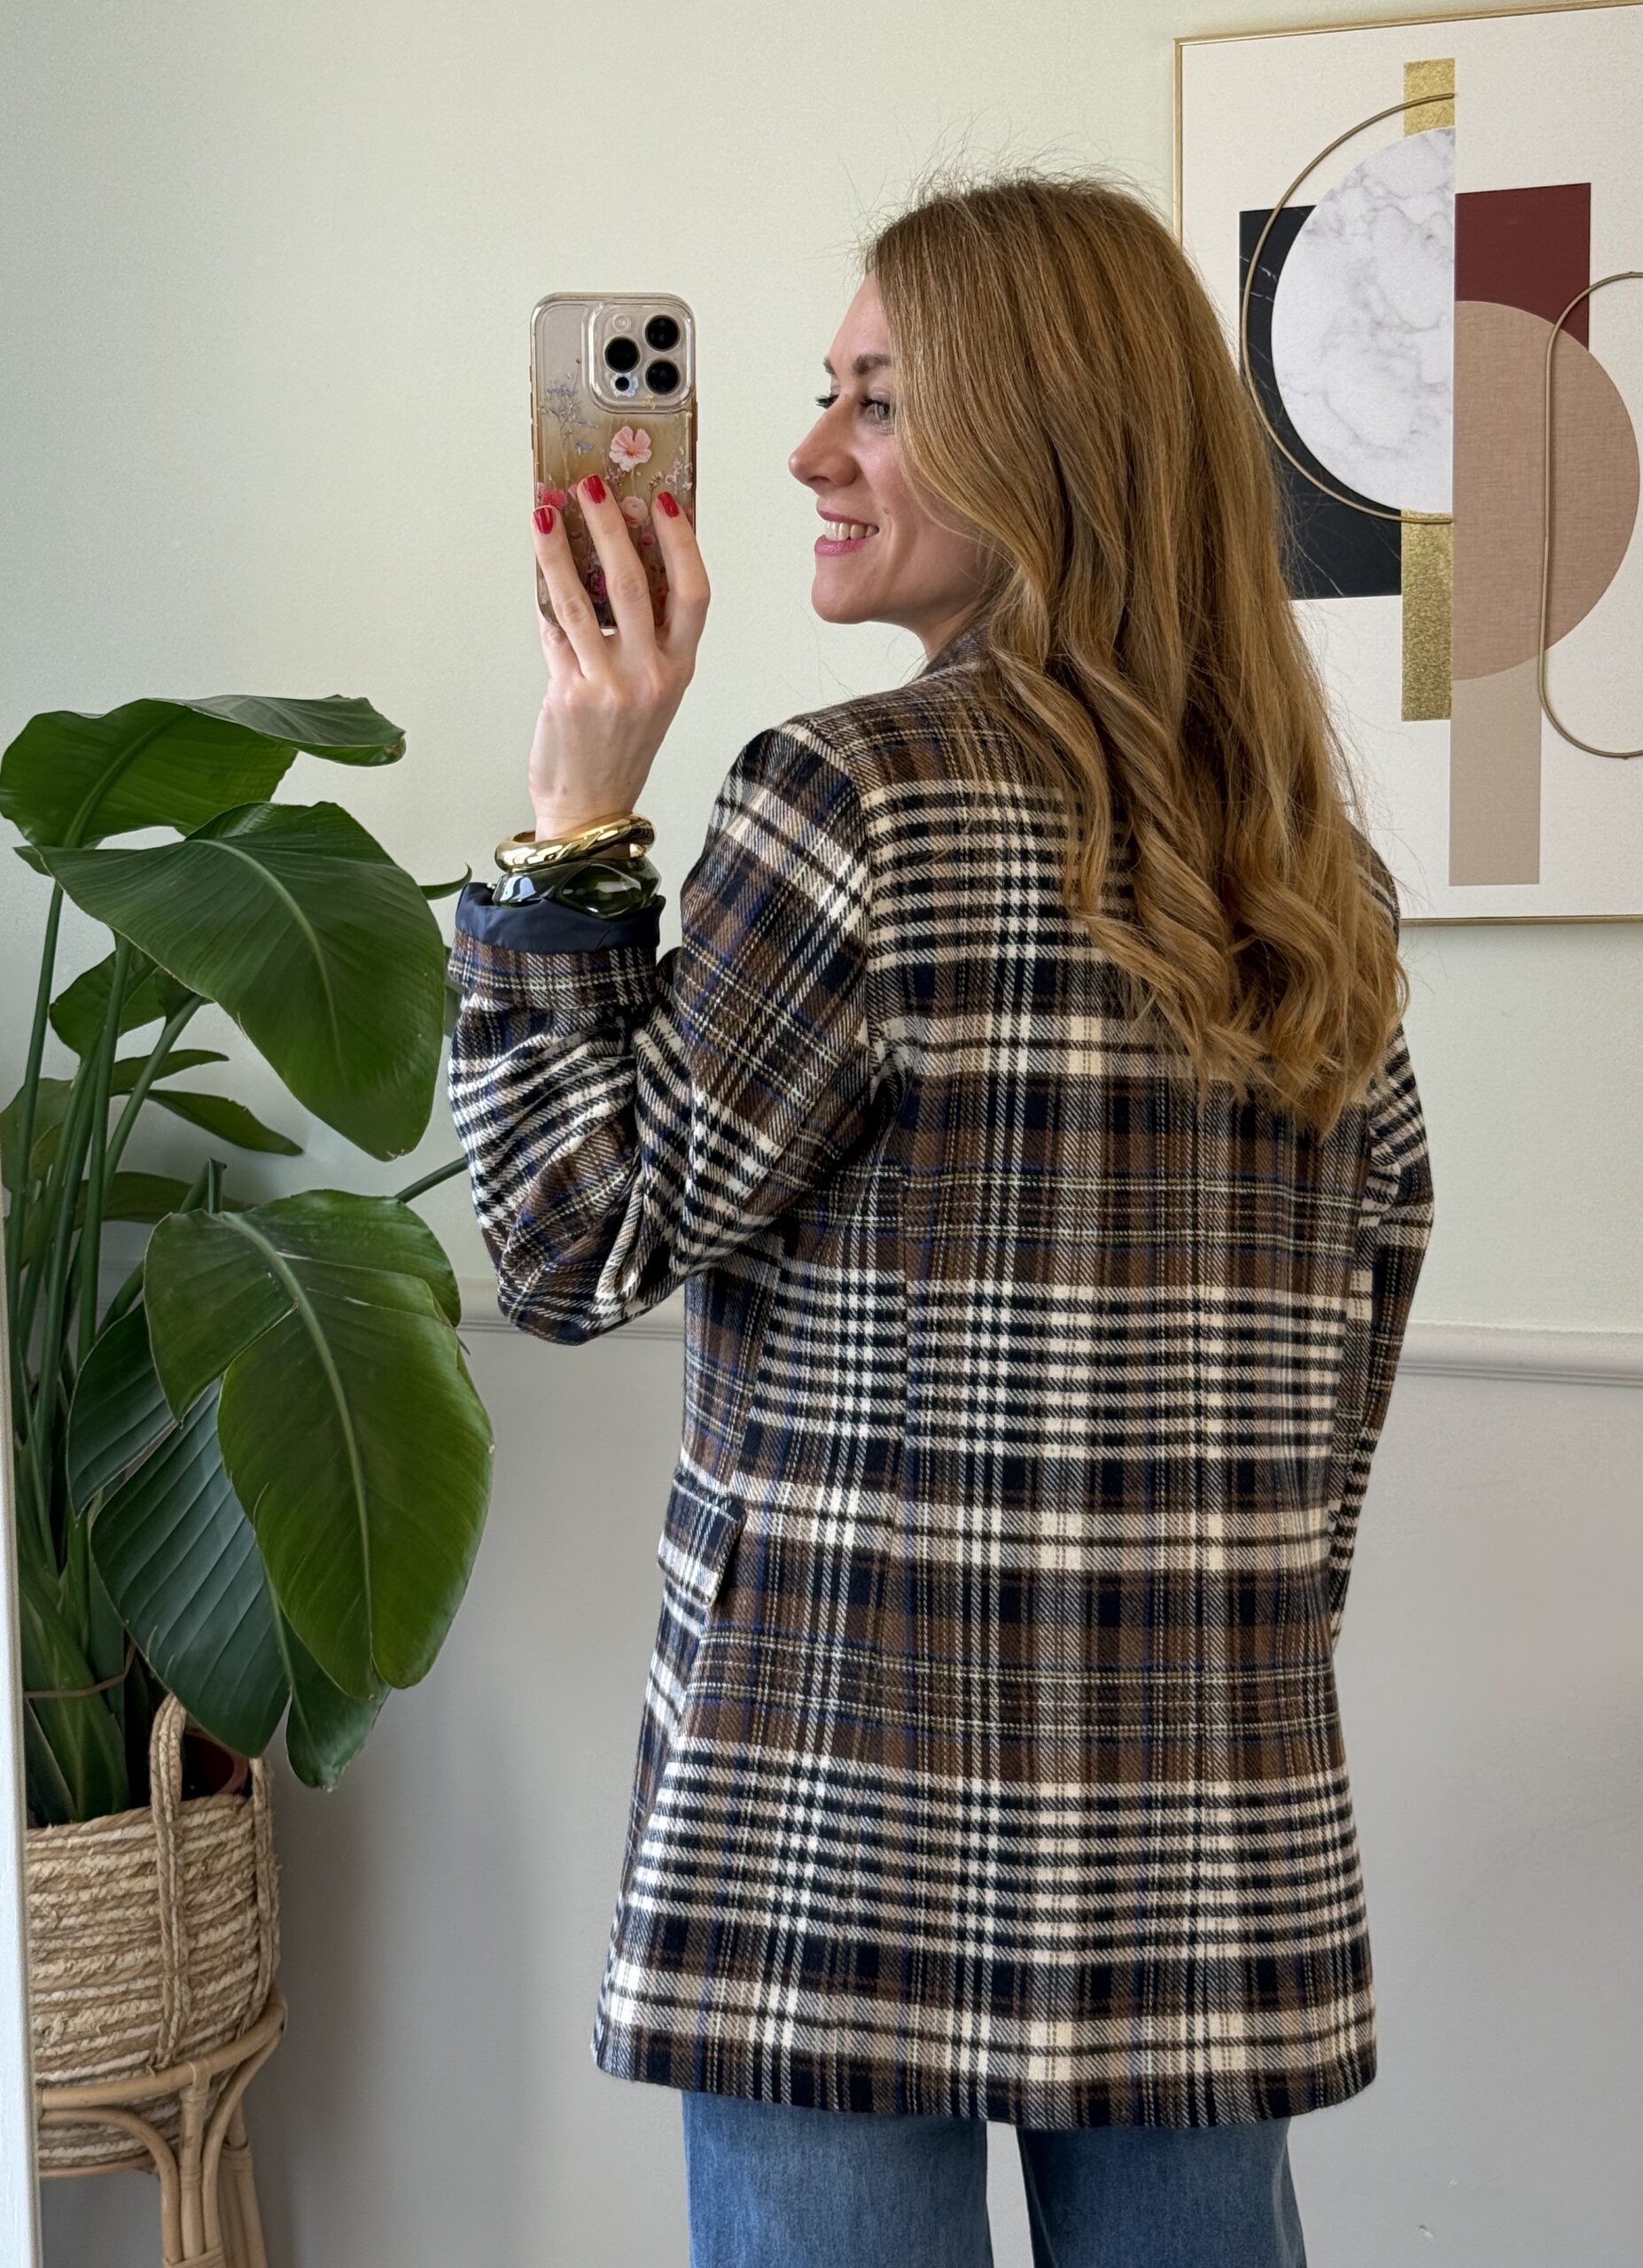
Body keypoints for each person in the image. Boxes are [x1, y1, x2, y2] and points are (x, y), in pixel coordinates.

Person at [446, 167, 1434, 2268]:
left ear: (1044, 435)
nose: (810, 450)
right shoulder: (1306, 865)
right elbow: (1361, 1326)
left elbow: (566, 1241)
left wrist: (577, 824)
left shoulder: (848, 797)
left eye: (878, 400)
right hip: (1200, 1826)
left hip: (831, 1822)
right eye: (826, 392)